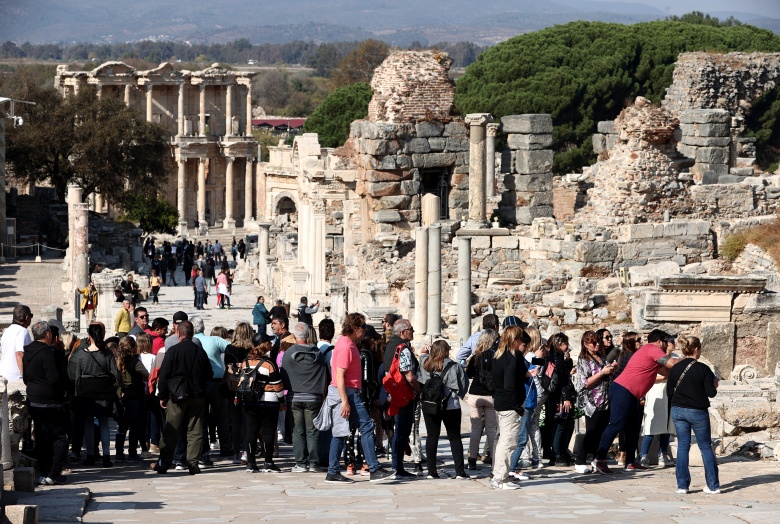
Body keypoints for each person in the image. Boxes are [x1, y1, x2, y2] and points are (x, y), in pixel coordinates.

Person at [592, 329, 680, 474]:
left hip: (633, 394)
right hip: (624, 390)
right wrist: (689, 361)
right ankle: (599, 459)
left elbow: (666, 373)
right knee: (616, 424)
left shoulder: (652, 354)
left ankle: (630, 462)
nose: (668, 344)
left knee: (632, 429)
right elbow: (671, 363)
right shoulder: (652, 348)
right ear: (659, 341)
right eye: (667, 341)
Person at [324, 313, 393, 484]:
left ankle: (333, 472)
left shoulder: (345, 343)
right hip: (348, 393)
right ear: (355, 328)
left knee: (340, 433)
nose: (364, 329)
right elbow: (339, 375)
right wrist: (345, 401)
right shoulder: (347, 346)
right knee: (367, 426)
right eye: (362, 327)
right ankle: (374, 468)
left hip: (347, 392)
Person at [152, 321, 212, 475]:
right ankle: (193, 464)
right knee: (195, 430)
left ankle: (164, 463)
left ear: (178, 333)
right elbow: (209, 373)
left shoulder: (173, 351)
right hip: (197, 395)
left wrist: (162, 395)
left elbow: (164, 375)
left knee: (171, 430)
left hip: (177, 396)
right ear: (192, 334)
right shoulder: (200, 351)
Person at [667, 335, 720, 495]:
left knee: (683, 446)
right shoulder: (703, 369)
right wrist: (715, 384)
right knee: (705, 447)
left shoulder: (675, 367)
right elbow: (711, 393)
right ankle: (712, 485)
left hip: (678, 410)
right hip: (697, 411)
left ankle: (682, 486)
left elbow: (669, 391)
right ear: (696, 349)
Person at [23, 321, 69, 485]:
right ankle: (54, 473)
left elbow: (26, 378)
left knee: (42, 437)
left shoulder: (28, 352)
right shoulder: (48, 353)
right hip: (51, 402)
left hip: (34, 400)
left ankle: (44, 472)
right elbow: (54, 378)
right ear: (48, 334)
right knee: (60, 438)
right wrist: (63, 391)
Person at [70, 323, 121, 467]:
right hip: (103, 390)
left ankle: (91, 455)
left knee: (88, 423)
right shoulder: (107, 353)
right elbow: (115, 374)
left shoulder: (82, 353)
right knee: (104, 423)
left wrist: (77, 393)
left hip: (87, 391)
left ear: (89, 336)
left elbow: (78, 376)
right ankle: (106, 456)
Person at [417, 339, 469, 480]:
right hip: (451, 405)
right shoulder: (455, 366)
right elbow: (463, 385)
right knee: (454, 437)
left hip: (430, 404)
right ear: (447, 351)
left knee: (432, 436)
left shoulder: (425, 363)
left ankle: (431, 472)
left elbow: (419, 377)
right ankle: (459, 472)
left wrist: (424, 352)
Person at [282, 322, 328, 472]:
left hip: (294, 397)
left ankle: (301, 463)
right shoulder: (318, 354)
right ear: (308, 335)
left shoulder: (289, 354)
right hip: (313, 397)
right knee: (313, 431)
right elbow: (323, 375)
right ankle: (314, 463)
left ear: (295, 336)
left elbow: (284, 376)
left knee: (297, 431)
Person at [490, 326, 530, 490]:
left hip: (501, 402)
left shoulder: (500, 356)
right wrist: (517, 407)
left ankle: (499, 475)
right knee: (508, 442)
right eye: (520, 339)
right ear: (515, 340)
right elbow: (510, 385)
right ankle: (500, 478)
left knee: (503, 441)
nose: (522, 342)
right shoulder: (512, 359)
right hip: (509, 405)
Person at [381, 319, 420, 479]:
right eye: (411, 329)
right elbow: (409, 376)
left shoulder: (390, 345)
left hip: (392, 392)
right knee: (402, 431)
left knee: (398, 430)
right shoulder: (403, 349)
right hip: (403, 394)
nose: (413, 331)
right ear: (403, 332)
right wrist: (419, 389)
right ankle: (398, 467)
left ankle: (397, 466)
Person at [573, 331, 615, 474]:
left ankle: (597, 460)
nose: (597, 345)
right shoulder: (583, 360)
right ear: (585, 344)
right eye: (593, 342)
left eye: (598, 342)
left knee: (601, 432)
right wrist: (602, 373)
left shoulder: (602, 357)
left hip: (605, 399)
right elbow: (585, 383)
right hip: (592, 401)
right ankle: (580, 460)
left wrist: (611, 369)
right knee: (591, 431)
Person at [192, 317, 233, 466]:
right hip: (217, 382)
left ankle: (202, 451)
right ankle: (226, 447)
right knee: (221, 416)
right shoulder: (214, 340)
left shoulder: (190, 341)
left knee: (200, 418)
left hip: (199, 384)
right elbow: (232, 348)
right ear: (203, 328)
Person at [241, 334, 284, 473]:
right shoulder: (269, 363)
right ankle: (268, 462)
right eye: (269, 342)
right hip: (268, 401)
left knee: (251, 431)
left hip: (249, 401)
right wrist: (282, 400)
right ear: (263, 344)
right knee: (268, 432)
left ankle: (251, 463)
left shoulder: (245, 362)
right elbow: (277, 385)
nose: (271, 344)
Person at [639, 336, 677, 468]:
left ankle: (664, 454)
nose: (672, 345)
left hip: (668, 392)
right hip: (655, 393)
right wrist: (667, 374)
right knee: (652, 424)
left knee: (666, 425)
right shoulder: (656, 356)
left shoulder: (674, 358)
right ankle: (643, 455)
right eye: (670, 342)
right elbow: (653, 375)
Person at [466, 329, 498, 472]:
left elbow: (469, 374)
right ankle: (494, 460)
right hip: (491, 395)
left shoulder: (475, 357)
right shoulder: (497, 357)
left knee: (475, 429)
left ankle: (472, 460)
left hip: (475, 394)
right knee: (491, 429)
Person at [114, 337, 150, 461]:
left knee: (122, 426)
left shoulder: (116, 361)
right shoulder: (135, 362)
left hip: (121, 398)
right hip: (135, 397)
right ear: (132, 348)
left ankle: (119, 452)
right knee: (135, 426)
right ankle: (132, 452)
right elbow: (147, 375)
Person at [225, 324, 256, 464]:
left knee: (236, 421)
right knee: (248, 421)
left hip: (233, 389)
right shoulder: (252, 349)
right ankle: (246, 451)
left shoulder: (229, 349)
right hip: (249, 388)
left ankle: (235, 453)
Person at [519, 328, 549, 469]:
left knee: (524, 425)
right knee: (534, 426)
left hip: (531, 393)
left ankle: (525, 457)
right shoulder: (542, 355)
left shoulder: (530, 355)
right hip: (541, 392)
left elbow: (523, 369)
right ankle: (537, 458)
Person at [547, 332, 576, 467]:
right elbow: (561, 381)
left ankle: (560, 451)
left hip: (560, 396)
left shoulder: (559, 358)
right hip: (559, 398)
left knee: (566, 424)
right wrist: (566, 398)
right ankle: (557, 453)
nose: (568, 346)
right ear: (559, 344)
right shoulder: (555, 359)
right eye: (565, 343)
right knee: (560, 425)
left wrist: (568, 361)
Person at [1, 304, 33, 381]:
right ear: (27, 317)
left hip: (4, 375)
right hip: (16, 378)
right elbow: (19, 354)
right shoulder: (22, 331)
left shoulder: (7, 331)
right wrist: (26, 377)